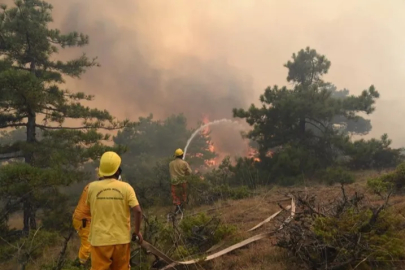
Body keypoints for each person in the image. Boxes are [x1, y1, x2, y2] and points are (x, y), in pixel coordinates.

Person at [86, 151, 143, 270]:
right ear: (117, 170)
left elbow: (88, 209)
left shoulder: (91, 188)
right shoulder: (126, 188)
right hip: (121, 240)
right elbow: (137, 211)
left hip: (99, 241)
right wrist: (137, 232)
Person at [72, 183, 92, 267]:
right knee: (87, 246)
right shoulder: (98, 189)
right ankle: (82, 265)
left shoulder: (91, 185)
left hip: (81, 218)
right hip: (84, 220)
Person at [169, 148, 192, 213]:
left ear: (175, 156)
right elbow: (189, 172)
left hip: (174, 183)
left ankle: (178, 208)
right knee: (183, 195)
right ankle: (182, 209)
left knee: (175, 196)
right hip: (182, 182)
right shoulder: (184, 163)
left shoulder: (171, 164)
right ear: (182, 155)